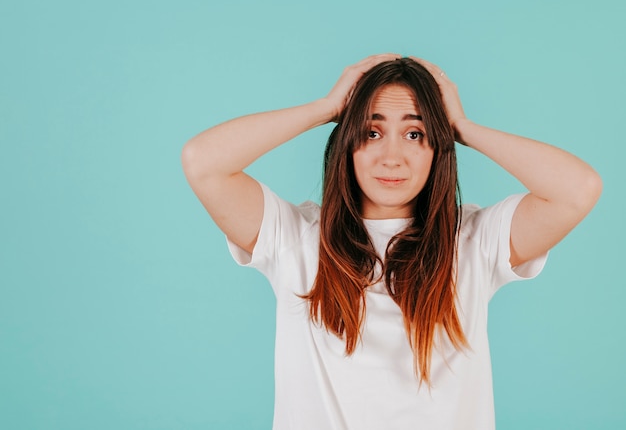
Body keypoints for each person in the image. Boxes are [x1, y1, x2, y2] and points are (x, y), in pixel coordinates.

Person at [181, 55, 602, 430]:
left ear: (438, 147)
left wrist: (463, 128)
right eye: (372, 132)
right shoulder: (295, 237)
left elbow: (577, 189)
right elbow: (203, 162)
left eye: (416, 134)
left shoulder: (474, 241)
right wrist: (325, 109)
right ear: (347, 144)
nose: (392, 157)